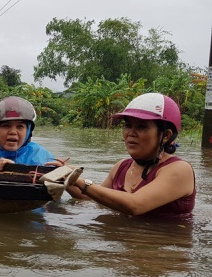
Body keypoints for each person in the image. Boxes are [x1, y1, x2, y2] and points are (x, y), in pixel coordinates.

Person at [66, 92, 196, 217]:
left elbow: (135, 205)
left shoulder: (179, 170)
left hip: (165, 240)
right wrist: (64, 177)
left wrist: (82, 182)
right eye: (127, 125)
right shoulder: (121, 166)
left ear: (166, 136)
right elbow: (90, 198)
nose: (131, 133)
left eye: (141, 127)